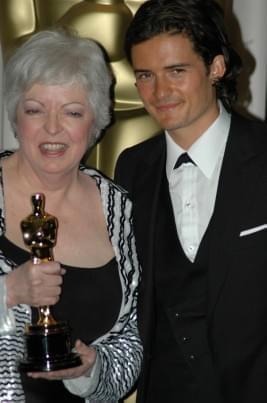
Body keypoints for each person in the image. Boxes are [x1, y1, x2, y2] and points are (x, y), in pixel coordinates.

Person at [114, 0, 267, 402]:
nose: (159, 92)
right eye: (145, 75)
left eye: (176, 71)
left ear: (216, 67)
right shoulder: (130, 168)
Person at [0, 28, 142, 402]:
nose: (52, 128)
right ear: (16, 114)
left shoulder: (121, 210)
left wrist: (91, 369)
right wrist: (8, 292)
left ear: (95, 121)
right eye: (35, 110)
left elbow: (133, 339)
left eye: (72, 112)